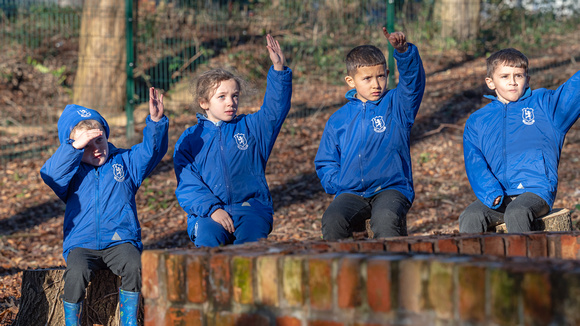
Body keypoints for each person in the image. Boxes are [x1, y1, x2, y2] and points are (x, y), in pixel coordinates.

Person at [40, 87, 169, 326]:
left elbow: (151, 152)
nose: (96, 148)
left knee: (134, 264)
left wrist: (155, 122)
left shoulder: (125, 162)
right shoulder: (71, 172)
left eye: (99, 140)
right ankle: (72, 322)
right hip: (82, 244)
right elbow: (50, 175)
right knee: (75, 274)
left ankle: (129, 320)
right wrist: (74, 149)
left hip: (119, 240)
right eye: (87, 144)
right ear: (75, 146)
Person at [173, 34, 292, 247]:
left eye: (235, 95)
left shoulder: (252, 128)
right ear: (204, 103)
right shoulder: (190, 140)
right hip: (208, 214)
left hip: (251, 210)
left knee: (249, 253)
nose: (231, 102)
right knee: (209, 247)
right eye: (222, 96)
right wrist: (213, 210)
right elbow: (187, 184)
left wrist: (279, 70)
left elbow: (275, 110)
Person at [314, 26, 426, 240]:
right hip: (351, 191)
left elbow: (413, 82)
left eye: (381, 76)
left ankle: (392, 270)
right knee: (333, 219)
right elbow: (326, 161)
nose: (376, 84)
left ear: (387, 75)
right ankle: (345, 271)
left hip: (391, 188)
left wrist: (403, 53)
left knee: (385, 219)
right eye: (367, 79)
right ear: (351, 81)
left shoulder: (397, 106)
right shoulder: (338, 120)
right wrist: (340, 183)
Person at [460, 48, 580, 233]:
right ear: (490, 82)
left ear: (527, 79)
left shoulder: (544, 106)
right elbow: (474, 162)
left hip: (535, 190)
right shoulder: (477, 120)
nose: (513, 82)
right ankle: (475, 262)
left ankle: (524, 261)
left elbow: (573, 92)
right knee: (470, 216)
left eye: (518, 75)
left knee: (517, 212)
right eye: (505, 76)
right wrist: (490, 192)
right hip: (499, 195)